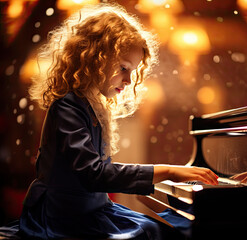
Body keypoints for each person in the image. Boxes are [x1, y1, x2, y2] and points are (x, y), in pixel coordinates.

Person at [1, 3, 219, 239]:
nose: (128, 80)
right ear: (95, 57)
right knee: (154, 232)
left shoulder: (92, 107)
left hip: (91, 211)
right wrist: (168, 171)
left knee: (160, 230)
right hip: (63, 217)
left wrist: (166, 173)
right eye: (123, 68)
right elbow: (94, 174)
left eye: (132, 72)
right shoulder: (68, 107)